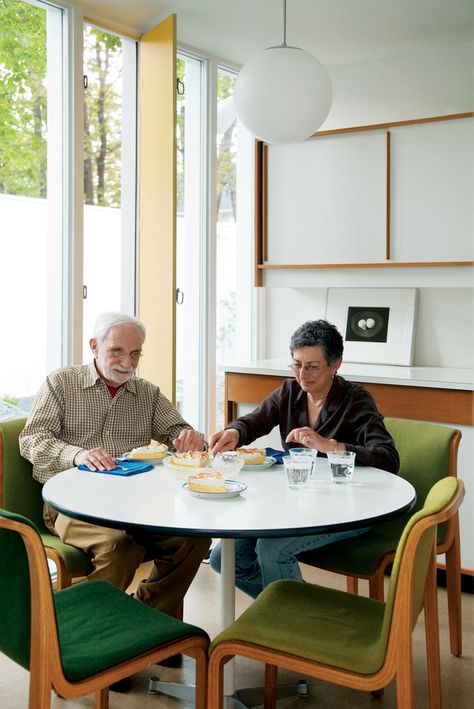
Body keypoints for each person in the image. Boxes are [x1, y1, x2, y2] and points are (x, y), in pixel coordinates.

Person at [20, 312, 211, 619]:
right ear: (94, 346)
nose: (128, 362)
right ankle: (82, 635)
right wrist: (76, 455)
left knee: (194, 540)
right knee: (118, 548)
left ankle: (144, 618)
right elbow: (31, 439)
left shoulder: (146, 393)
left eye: (135, 353)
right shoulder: (60, 383)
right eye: (117, 351)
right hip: (71, 504)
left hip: (133, 505)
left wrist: (188, 438)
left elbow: (177, 430)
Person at [209, 319, 399, 599]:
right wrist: (234, 432)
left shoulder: (356, 400)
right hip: (298, 503)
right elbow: (255, 420)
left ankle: (289, 627)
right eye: (296, 364)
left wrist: (331, 446)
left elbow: (388, 458)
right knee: (223, 558)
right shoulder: (290, 392)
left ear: (336, 365)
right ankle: (302, 613)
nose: (302, 374)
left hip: (350, 509)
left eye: (312, 366)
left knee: (271, 551)